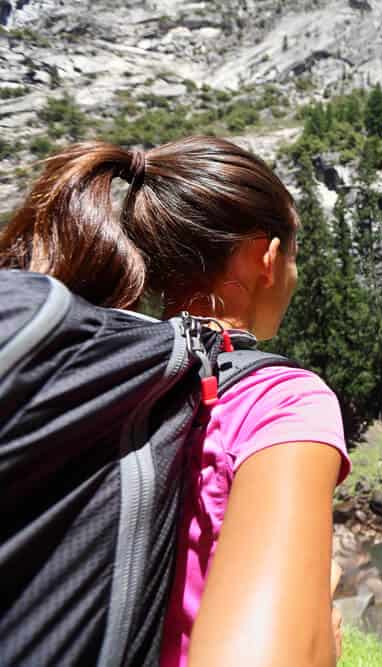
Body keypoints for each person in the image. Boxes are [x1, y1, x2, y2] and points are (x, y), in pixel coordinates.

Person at [0, 137, 351, 666]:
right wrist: (319, 636)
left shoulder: (97, 377)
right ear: (267, 258)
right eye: (294, 254)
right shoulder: (283, 403)